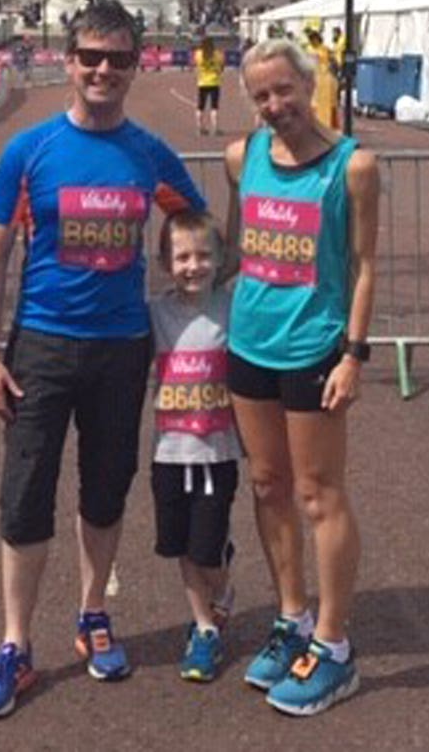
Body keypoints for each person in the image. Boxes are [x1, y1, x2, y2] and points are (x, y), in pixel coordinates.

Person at [0, 0, 206, 719]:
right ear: (68, 61)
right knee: (26, 495)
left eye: (119, 59)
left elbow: (192, 223)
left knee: (106, 489)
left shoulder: (148, 153)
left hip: (120, 345)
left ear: (135, 65)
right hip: (41, 342)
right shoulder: (29, 150)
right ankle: (15, 642)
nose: (104, 69)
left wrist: (184, 280)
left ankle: (92, 611)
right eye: (91, 57)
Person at [223, 38, 379, 715]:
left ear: (309, 84)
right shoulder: (242, 157)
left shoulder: (354, 166)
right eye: (261, 95)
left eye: (284, 90)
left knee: (319, 494)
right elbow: (236, 245)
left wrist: (354, 353)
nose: (274, 105)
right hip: (250, 343)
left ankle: (335, 643)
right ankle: (292, 616)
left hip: (314, 348)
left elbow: (367, 264)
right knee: (267, 484)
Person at [150, 210, 241, 683]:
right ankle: (204, 628)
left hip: (217, 452)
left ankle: (221, 585)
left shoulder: (231, 308)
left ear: (221, 259)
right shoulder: (156, 313)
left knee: (206, 550)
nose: (193, 266)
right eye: (182, 256)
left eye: (204, 255)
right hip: (168, 453)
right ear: (165, 262)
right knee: (181, 545)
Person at [305, 28, 339, 129]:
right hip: (313, 78)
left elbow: (334, 62)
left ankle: (330, 125)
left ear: (318, 39)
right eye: (310, 39)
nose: (312, 41)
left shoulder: (325, 49)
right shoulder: (308, 49)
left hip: (325, 78)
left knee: (329, 103)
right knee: (313, 102)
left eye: (314, 39)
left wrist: (332, 70)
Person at [193, 35, 225, 136]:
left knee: (200, 106)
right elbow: (222, 66)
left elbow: (196, 65)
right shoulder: (217, 55)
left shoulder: (198, 54)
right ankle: (215, 128)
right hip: (214, 82)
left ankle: (199, 128)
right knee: (214, 107)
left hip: (202, 82)